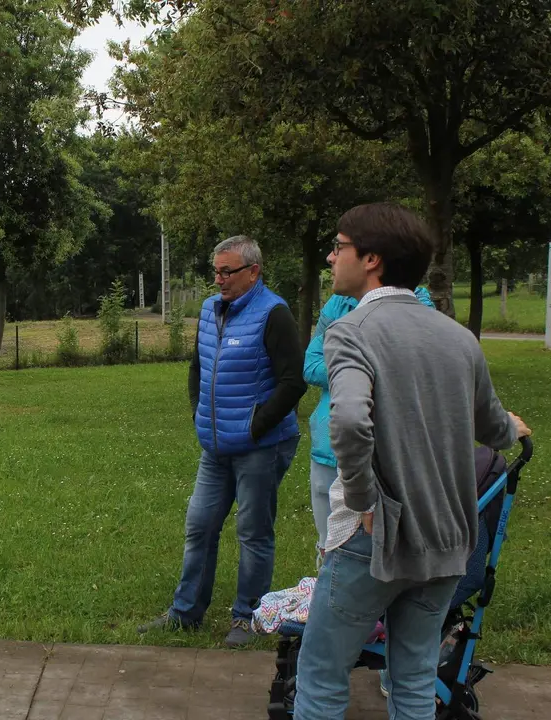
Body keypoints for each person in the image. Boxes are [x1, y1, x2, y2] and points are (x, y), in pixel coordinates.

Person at [293, 203, 531, 720]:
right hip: (447, 537)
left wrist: (359, 498)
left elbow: (352, 420)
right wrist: (513, 428)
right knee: (415, 678)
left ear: (372, 258)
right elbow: (492, 430)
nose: (331, 257)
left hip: (376, 539)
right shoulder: (457, 337)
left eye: (340, 246)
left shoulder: (350, 331)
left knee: (321, 674)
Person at [139, 235, 307, 647]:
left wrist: (256, 427)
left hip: (261, 448)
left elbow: (293, 382)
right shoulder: (210, 309)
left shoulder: (274, 314)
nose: (219, 279)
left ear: (254, 272)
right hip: (216, 447)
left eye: (227, 271)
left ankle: (247, 617)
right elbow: (199, 367)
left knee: (252, 532)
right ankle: (185, 613)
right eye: (215, 271)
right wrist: (199, 409)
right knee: (200, 526)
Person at [303, 285, 435, 567]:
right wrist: (360, 370)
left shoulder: (417, 304)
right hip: (327, 446)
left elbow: (410, 370)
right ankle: (329, 603)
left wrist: (344, 368)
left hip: (384, 454)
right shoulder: (338, 304)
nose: (332, 258)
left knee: (376, 553)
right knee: (327, 548)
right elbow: (310, 365)